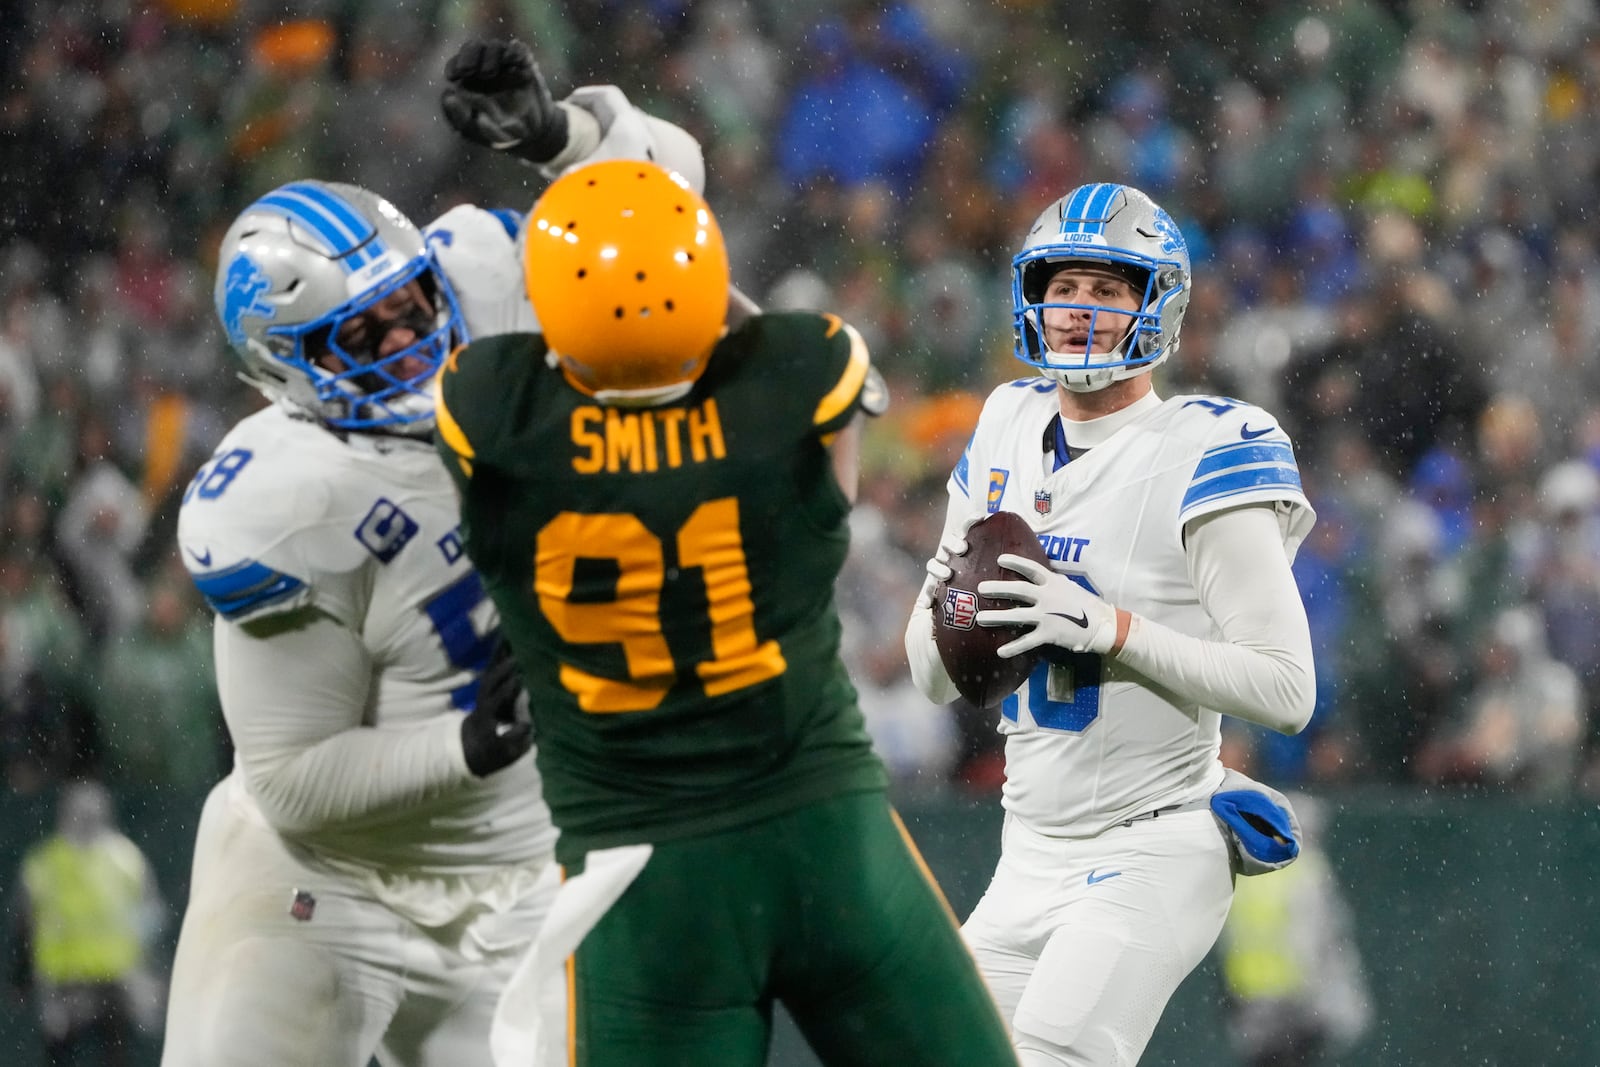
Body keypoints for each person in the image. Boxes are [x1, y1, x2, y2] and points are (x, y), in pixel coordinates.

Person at [159, 44, 710, 1067]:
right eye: (364, 335)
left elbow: (665, 198)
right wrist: (465, 745)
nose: (411, 337)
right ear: (286, 370)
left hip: (512, 889)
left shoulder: (489, 279)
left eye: (413, 303)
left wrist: (555, 140)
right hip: (317, 888)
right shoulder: (288, 499)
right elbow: (287, 779)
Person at [433, 159, 1019, 1067]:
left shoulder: (495, 413)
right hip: (828, 838)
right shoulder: (791, 383)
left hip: (645, 877)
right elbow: (767, 346)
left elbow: (541, 357)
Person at [903, 182, 1317, 1065]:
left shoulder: (1207, 447)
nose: (1078, 310)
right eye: (1064, 285)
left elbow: (1287, 689)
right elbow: (931, 678)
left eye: (1108, 288)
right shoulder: (1008, 419)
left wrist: (1110, 628)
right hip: (1027, 847)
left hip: (1153, 839)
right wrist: (944, 605)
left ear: (1155, 306)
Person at [13, 780, 165, 1066]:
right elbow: (150, 925)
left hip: (92, 984)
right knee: (104, 1056)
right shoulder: (126, 859)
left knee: (80, 1056)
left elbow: (23, 924)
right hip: (90, 983)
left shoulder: (46, 862)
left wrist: (19, 978)